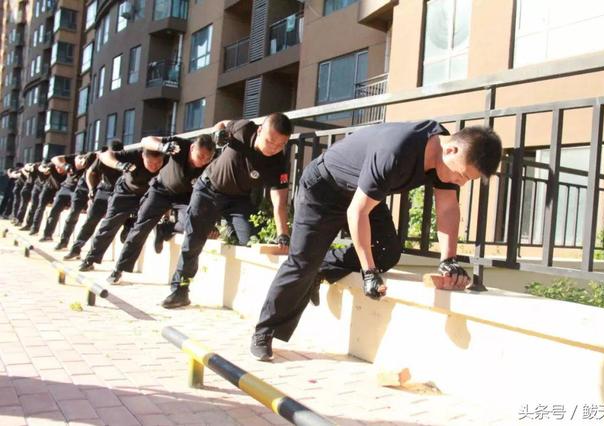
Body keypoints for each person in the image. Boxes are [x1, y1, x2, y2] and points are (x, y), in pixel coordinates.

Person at [250, 121, 503, 361]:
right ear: (452, 149)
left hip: (364, 191)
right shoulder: (396, 151)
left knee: (387, 252)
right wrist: (368, 273)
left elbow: (448, 208)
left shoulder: (444, 159)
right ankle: (264, 332)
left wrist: (449, 261)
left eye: (467, 180)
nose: (459, 182)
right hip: (323, 188)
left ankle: (323, 267)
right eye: (460, 175)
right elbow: (357, 212)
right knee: (303, 261)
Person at [162, 112, 293, 309]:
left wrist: (283, 234)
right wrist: (218, 135)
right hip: (209, 189)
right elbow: (221, 123)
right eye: (270, 141)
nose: (273, 148)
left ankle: (229, 227)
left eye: (280, 144)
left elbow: (279, 202)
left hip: (238, 200)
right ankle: (180, 290)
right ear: (259, 130)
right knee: (194, 239)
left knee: (249, 240)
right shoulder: (244, 128)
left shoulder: (278, 162)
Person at [104, 134, 215, 285]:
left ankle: (165, 229)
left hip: (184, 197)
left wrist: (211, 221)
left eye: (207, 159)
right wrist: (162, 147)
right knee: (140, 228)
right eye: (200, 156)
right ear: (192, 148)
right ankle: (119, 269)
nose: (203, 162)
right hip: (161, 191)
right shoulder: (180, 145)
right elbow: (145, 140)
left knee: (192, 224)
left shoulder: (210, 165)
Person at [78, 147, 167, 272]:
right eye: (150, 163)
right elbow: (104, 156)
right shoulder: (134, 153)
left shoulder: (168, 157)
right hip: (125, 191)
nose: (154, 167)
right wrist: (119, 164)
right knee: (109, 225)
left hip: (148, 194)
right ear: (143, 156)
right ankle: (90, 259)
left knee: (139, 230)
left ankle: (121, 268)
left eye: (158, 163)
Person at [63, 140, 123, 260]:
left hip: (118, 193)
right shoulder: (102, 158)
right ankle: (76, 249)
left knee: (106, 226)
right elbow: (90, 172)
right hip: (103, 192)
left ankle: (91, 257)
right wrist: (91, 189)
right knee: (90, 222)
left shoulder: (124, 157)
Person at [40, 153, 94, 242]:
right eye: (78, 163)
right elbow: (54, 158)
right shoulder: (71, 158)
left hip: (79, 189)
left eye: (83, 164)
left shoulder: (90, 160)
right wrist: (64, 165)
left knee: (73, 215)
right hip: (66, 187)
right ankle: (47, 235)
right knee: (54, 210)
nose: (80, 165)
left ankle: (64, 241)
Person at [28, 161, 67, 235]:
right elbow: (41, 167)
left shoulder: (69, 168)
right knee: (40, 207)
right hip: (48, 188)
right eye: (57, 167)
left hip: (60, 189)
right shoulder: (52, 165)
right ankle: (34, 228)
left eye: (60, 168)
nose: (58, 169)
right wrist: (45, 170)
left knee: (55, 210)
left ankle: (48, 233)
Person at [19, 163, 50, 231]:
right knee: (33, 206)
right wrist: (40, 168)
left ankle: (35, 227)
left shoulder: (52, 168)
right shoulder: (37, 166)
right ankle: (28, 225)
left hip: (45, 187)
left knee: (40, 207)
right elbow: (27, 167)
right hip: (37, 186)